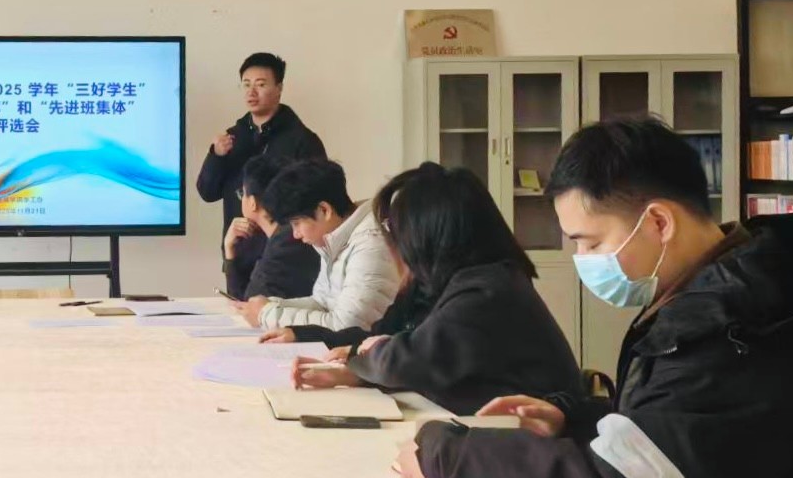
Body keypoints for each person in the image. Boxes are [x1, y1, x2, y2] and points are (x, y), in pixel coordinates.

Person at [396, 118, 793, 478]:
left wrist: (450, 455)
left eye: (591, 242)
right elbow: (683, 424)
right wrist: (571, 417)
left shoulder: (737, 323)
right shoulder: (722, 282)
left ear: (659, 222)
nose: (583, 261)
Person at [287, 163, 583, 416]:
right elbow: (391, 340)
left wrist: (360, 363)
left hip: (535, 441)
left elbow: (410, 359)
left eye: (395, 228)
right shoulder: (443, 282)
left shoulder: (487, 290)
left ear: (429, 232)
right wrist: (356, 361)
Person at [240, 158, 399, 332]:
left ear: (324, 210)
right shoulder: (335, 236)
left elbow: (347, 327)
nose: (295, 234)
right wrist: (272, 305)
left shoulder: (371, 243)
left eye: (297, 223)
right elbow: (322, 303)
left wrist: (267, 314)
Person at [196, 52, 326, 238]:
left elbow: (315, 201)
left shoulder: (302, 140)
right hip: (238, 247)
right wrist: (216, 156)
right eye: (246, 84)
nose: (251, 92)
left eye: (261, 84)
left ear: (279, 88)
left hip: (285, 247)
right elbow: (207, 193)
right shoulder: (232, 138)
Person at [223, 155, 320, 300]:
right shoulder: (283, 233)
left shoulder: (287, 241)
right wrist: (230, 250)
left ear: (253, 202)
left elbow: (248, 303)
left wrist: (229, 252)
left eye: (242, 193)